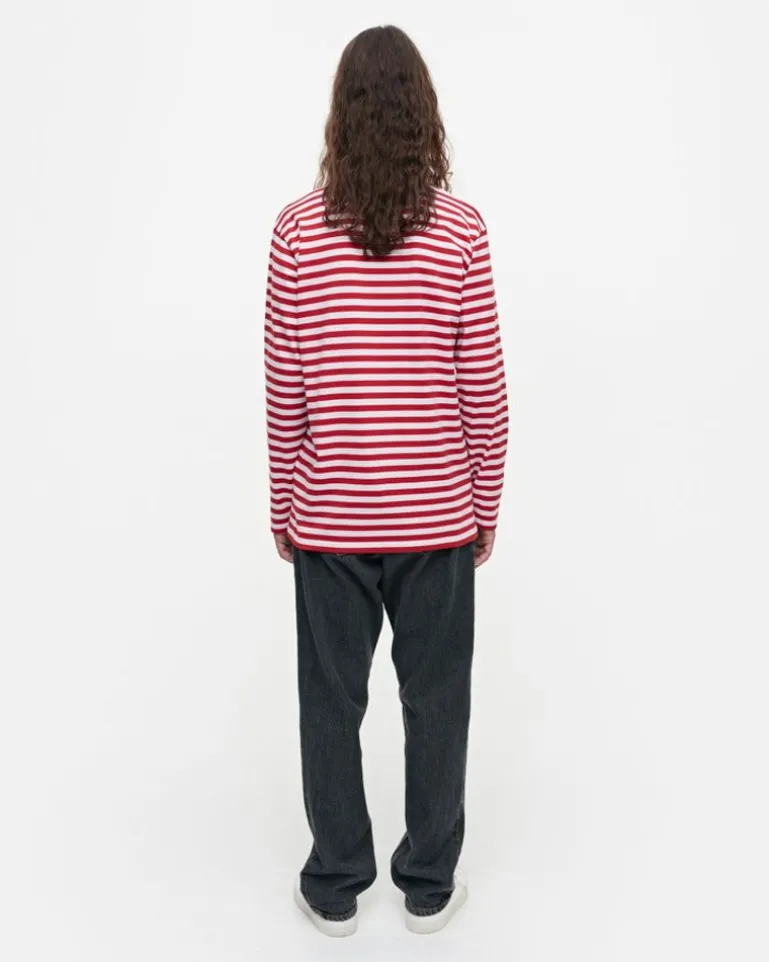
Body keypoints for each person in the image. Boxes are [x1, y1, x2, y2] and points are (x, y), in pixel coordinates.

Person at [263, 24, 509, 937]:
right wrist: (484, 505)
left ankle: (334, 883)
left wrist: (284, 506)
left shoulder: (296, 232)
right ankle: (428, 884)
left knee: (329, 706)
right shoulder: (461, 231)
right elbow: (482, 386)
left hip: (328, 518)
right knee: (436, 701)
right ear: (422, 116)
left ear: (342, 115)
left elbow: (284, 388)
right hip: (437, 515)